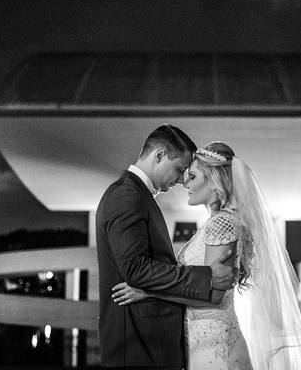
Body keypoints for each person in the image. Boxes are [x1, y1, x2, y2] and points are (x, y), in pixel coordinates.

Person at [112, 142, 301, 370]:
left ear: (213, 179)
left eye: (192, 177)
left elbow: (212, 296)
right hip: (205, 340)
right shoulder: (220, 221)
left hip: (214, 346)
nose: (185, 183)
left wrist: (148, 292)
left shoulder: (223, 223)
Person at [95, 125, 237, 369]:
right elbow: (135, 268)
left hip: (151, 343)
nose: (181, 180)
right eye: (180, 169)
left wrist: (150, 292)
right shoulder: (126, 195)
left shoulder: (136, 195)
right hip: (138, 344)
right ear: (159, 155)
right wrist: (206, 276)